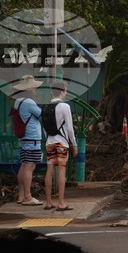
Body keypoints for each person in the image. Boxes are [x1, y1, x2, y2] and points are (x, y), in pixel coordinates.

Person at [44, 80, 78, 212]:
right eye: (66, 90)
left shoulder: (46, 107)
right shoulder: (65, 107)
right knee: (62, 171)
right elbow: (70, 129)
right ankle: (61, 203)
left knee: (49, 171)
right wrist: (74, 145)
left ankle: (48, 202)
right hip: (62, 143)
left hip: (50, 142)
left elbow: (44, 128)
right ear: (62, 91)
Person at [11, 74, 44, 205]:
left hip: (24, 138)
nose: (35, 90)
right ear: (29, 89)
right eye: (34, 88)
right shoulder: (29, 102)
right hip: (32, 138)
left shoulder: (17, 101)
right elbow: (41, 115)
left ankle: (21, 196)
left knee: (24, 166)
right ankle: (28, 197)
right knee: (30, 166)